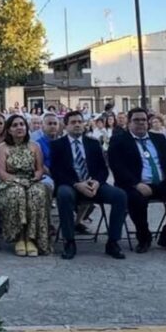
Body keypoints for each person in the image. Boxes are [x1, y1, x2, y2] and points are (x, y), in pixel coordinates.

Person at [108, 108, 166, 254]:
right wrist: (136, 183)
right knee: (136, 200)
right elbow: (116, 166)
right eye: (136, 120)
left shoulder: (159, 139)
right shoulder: (119, 140)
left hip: (162, 182)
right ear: (129, 123)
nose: (141, 123)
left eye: (143, 120)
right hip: (134, 184)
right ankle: (144, 238)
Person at [50, 111, 126, 260]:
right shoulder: (57, 145)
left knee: (120, 196)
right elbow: (56, 171)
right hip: (71, 184)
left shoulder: (93, 143)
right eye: (73, 122)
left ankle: (113, 242)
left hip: (93, 184)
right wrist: (76, 184)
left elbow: (103, 169)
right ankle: (69, 241)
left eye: (80, 121)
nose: (77, 124)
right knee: (63, 194)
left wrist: (97, 182)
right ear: (66, 126)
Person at [0, 115, 50, 257]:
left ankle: (31, 238)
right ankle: (19, 237)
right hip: (9, 183)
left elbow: (39, 168)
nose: (19, 127)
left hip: (31, 181)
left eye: (22, 124)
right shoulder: (2, 148)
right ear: (9, 130)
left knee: (37, 192)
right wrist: (17, 181)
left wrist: (35, 178)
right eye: (15, 125)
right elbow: (0, 172)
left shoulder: (34, 146)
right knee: (17, 193)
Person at [32, 112, 59, 192]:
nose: (53, 126)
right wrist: (54, 175)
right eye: (49, 124)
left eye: (55, 123)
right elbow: (40, 165)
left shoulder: (63, 142)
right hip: (46, 176)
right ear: (43, 127)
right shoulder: (37, 144)